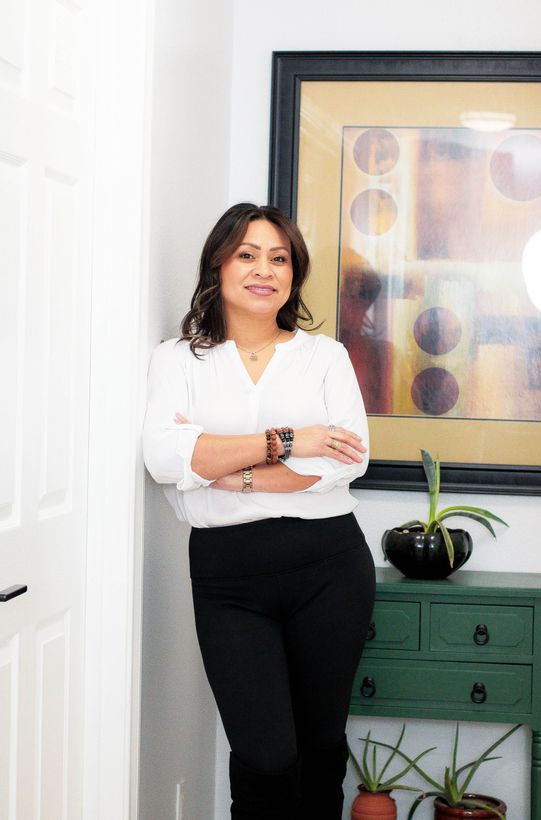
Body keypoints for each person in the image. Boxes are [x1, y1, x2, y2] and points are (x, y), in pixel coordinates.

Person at [142, 203, 376, 820]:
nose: (263, 270)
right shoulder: (177, 358)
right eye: (247, 254)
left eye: (279, 258)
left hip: (329, 566)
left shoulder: (324, 356)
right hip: (228, 577)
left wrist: (223, 467)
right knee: (265, 756)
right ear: (217, 266)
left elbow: (346, 461)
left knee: (320, 746)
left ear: (293, 275)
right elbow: (167, 458)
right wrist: (293, 440)